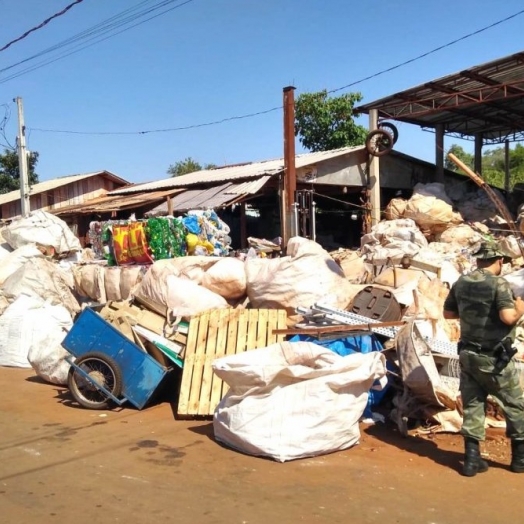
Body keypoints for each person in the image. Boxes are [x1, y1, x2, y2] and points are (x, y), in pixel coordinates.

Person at [443, 240, 524, 477]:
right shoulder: (499, 283)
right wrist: (520, 308)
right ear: (499, 261)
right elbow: (508, 317)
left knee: (473, 404)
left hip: (468, 356)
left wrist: (472, 311)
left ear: (478, 260)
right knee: (514, 405)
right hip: (494, 359)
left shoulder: (462, 282)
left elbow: (448, 313)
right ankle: (519, 459)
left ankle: (471, 461)